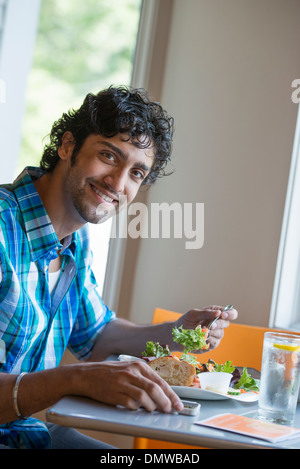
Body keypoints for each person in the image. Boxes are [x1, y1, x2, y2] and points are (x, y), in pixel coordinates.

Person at [0, 86, 238, 449]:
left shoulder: (74, 243)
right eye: (109, 156)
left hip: (28, 434)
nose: (118, 183)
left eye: (137, 174)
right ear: (67, 146)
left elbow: (96, 337)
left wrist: (176, 331)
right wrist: (74, 379)